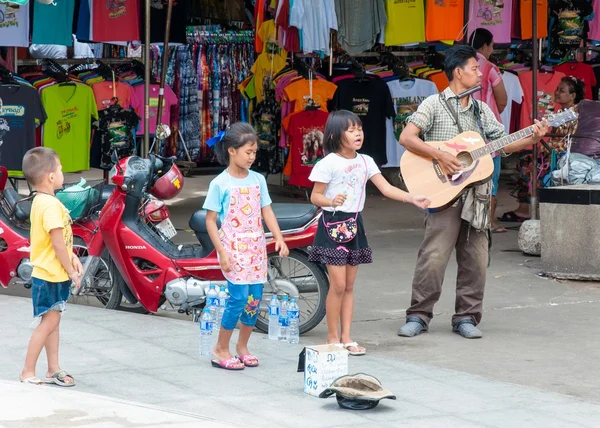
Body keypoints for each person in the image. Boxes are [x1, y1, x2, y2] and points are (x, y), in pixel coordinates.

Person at [397, 45, 548, 339]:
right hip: (443, 194)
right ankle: (418, 315)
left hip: (476, 195)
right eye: (475, 68)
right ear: (458, 72)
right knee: (434, 257)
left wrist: (531, 137)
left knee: (476, 260)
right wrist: (439, 156)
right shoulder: (433, 104)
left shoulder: (482, 109)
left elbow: (502, 144)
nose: (480, 73)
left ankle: (466, 317)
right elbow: (407, 137)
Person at [309, 110, 430, 355]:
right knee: (339, 285)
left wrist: (411, 197)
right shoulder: (328, 163)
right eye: (351, 130)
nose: (358, 134)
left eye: (360, 129)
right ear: (335, 134)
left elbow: (385, 188)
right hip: (332, 224)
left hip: (355, 224)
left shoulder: (366, 161)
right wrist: (332, 201)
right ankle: (332, 337)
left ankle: (347, 338)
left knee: (350, 285)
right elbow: (315, 196)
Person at [204, 122, 289, 370]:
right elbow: (211, 221)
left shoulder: (258, 179)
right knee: (238, 299)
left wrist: (278, 237)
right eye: (248, 152)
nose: (252, 157)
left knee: (254, 299)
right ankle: (220, 348)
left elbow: (266, 210)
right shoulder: (219, 183)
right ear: (232, 151)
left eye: (254, 153)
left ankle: (242, 347)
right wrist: (222, 252)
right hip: (233, 250)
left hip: (256, 249)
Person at [20, 147, 82, 386]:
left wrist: (73, 257)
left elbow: (60, 241)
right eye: (60, 169)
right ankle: (27, 370)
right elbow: (57, 243)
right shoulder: (51, 206)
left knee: (53, 323)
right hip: (50, 276)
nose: (62, 172)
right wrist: (70, 270)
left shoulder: (42, 201)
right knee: (49, 323)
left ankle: (53, 368)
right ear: (51, 177)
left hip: (50, 274)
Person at [507, 76, 584, 221]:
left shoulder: (575, 115)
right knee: (524, 161)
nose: (556, 92)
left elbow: (569, 142)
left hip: (563, 157)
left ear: (573, 96)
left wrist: (548, 150)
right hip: (552, 153)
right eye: (557, 89)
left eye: (561, 90)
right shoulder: (562, 113)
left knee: (527, 166)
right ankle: (525, 208)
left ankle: (530, 209)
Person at [470, 28, 509, 233]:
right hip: (488, 134)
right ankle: (489, 221)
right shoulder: (490, 68)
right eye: (492, 45)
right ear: (484, 46)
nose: (492, 50)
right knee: (491, 177)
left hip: (465, 133)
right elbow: (502, 100)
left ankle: (470, 219)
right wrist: (493, 111)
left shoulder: (461, 65)